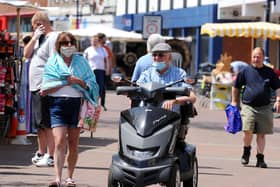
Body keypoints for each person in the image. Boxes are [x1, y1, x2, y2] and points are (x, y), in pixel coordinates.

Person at [41, 32, 99, 187]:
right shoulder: (52, 62)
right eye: (64, 43)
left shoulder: (81, 62)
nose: (68, 46)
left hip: (77, 106)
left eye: (71, 42)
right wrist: (64, 82)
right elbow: (45, 89)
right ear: (58, 46)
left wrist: (80, 82)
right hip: (57, 105)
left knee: (73, 143)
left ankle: (70, 177)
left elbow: (92, 84)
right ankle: (58, 178)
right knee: (59, 141)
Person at [231, 47, 280, 168]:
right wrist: (234, 101)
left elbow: (278, 87)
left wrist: (278, 100)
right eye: (254, 56)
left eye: (258, 56)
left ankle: (260, 159)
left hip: (265, 107)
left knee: (262, 134)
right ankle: (246, 151)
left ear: (263, 57)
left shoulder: (270, 72)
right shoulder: (246, 71)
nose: (256, 59)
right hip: (248, 106)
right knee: (247, 131)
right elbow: (236, 86)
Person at [137, 43, 196, 140]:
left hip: (171, 119)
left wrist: (174, 101)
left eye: (161, 55)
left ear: (169, 57)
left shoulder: (180, 74)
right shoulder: (147, 74)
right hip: (147, 118)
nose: (157, 57)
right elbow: (137, 88)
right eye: (154, 55)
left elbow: (193, 97)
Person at [24, 11, 58, 167]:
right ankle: (41, 151)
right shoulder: (38, 38)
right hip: (35, 85)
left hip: (44, 85)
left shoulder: (53, 37)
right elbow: (26, 54)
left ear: (40, 24)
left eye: (34, 26)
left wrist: (48, 84)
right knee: (39, 123)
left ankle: (51, 155)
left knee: (46, 123)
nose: (33, 29)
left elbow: (54, 62)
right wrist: (34, 38)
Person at [84, 34, 109, 111]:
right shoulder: (88, 50)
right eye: (92, 41)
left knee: (100, 88)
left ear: (98, 42)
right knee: (91, 87)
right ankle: (90, 102)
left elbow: (106, 60)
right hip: (91, 71)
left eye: (95, 41)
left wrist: (107, 69)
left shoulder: (102, 50)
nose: (94, 43)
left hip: (100, 70)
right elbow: (84, 61)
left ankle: (98, 103)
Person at [97, 33, 113, 110]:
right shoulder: (95, 48)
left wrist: (109, 70)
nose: (105, 40)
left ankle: (102, 104)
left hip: (104, 71)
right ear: (100, 39)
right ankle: (95, 103)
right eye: (104, 38)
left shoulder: (106, 48)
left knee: (103, 88)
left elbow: (109, 59)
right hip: (96, 70)